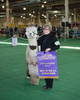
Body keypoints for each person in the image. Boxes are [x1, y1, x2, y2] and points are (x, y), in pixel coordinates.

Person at [37, 24, 60, 91]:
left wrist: (50, 48)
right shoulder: (43, 37)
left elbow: (58, 46)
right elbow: (38, 43)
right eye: (44, 29)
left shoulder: (53, 37)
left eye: (46, 29)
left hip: (50, 56)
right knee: (44, 71)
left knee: (49, 71)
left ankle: (50, 85)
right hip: (43, 55)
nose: (45, 31)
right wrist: (37, 39)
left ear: (49, 30)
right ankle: (47, 84)